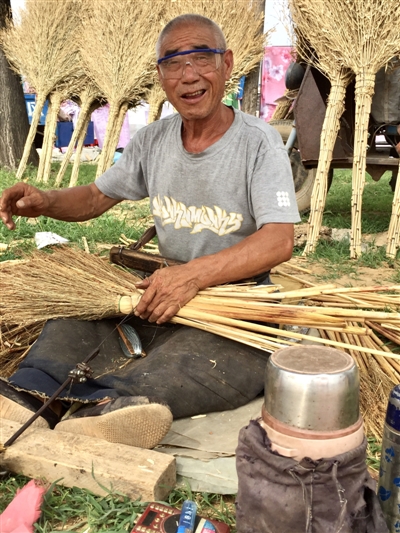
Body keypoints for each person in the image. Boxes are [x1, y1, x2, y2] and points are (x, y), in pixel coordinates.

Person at [0, 14, 300, 449]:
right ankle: (27, 396)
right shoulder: (152, 140)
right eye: (174, 63)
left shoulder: (258, 142)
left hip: (233, 300)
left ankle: (109, 410)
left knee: (201, 361)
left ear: (227, 64)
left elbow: (279, 239)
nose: (189, 74)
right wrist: (44, 201)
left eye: (202, 58)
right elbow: (94, 198)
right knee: (72, 326)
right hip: (160, 292)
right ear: (160, 76)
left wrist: (194, 276)